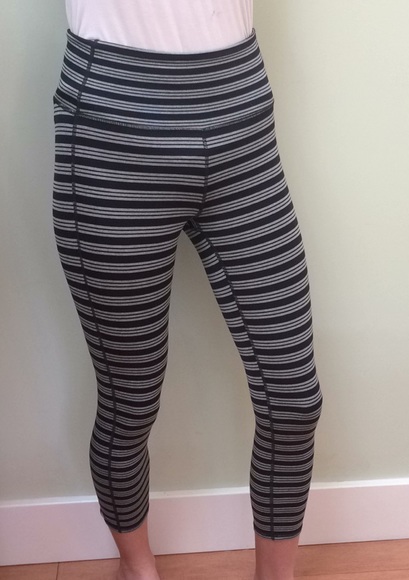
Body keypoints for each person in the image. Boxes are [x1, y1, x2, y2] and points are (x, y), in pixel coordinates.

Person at [51, 1, 324, 579]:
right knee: (130, 399)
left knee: (293, 398)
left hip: (241, 116)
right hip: (112, 121)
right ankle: (138, 570)